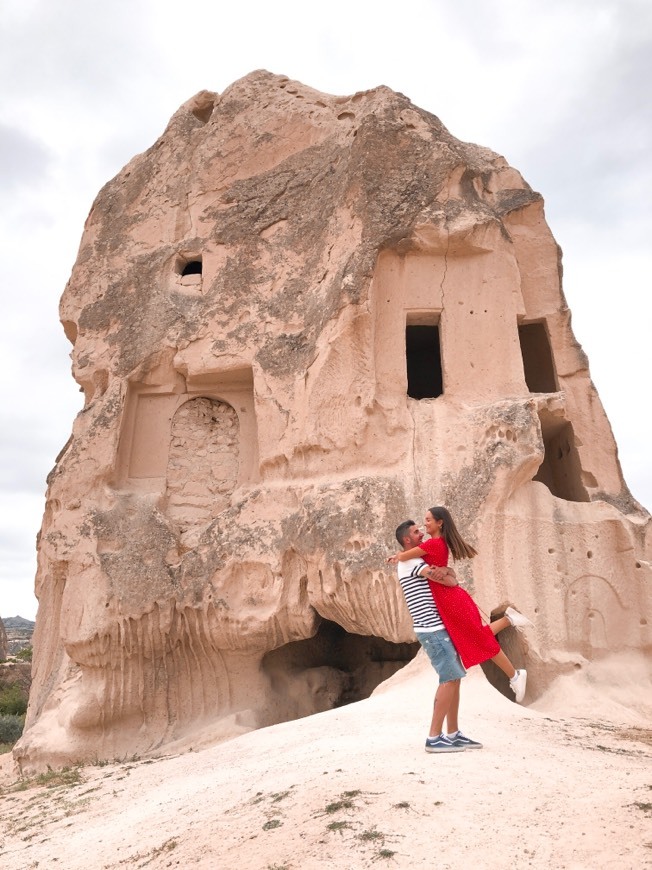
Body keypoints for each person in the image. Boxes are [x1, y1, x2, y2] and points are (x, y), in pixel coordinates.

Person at [390, 507, 532, 704]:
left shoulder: (433, 544)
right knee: (476, 637)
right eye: (422, 523)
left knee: (478, 638)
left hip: (451, 600)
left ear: (440, 523)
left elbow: (406, 557)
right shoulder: (436, 544)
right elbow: (434, 566)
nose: (424, 526)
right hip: (448, 601)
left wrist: (398, 556)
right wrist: (447, 570)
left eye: (428, 520)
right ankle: (512, 653)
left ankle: (514, 671)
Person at [394, 518, 480, 753]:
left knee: (455, 678)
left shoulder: (416, 559)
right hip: (431, 630)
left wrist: (447, 574)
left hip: (437, 628)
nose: (420, 533)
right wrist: (446, 574)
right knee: (449, 678)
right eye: (415, 532)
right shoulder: (411, 561)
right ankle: (434, 738)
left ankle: (452, 733)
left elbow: (449, 579)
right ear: (407, 540)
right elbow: (447, 580)